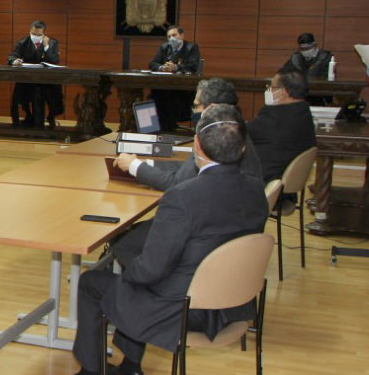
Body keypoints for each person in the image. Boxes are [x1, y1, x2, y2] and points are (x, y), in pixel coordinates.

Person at [71, 105, 269, 375]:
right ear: (243, 148)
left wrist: (130, 271)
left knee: (93, 282)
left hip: (185, 309)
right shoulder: (256, 189)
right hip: (233, 303)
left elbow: (151, 271)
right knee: (135, 274)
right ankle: (130, 366)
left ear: (197, 145)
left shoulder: (183, 197)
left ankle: (92, 371)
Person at [110, 79, 262, 267]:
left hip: (203, 230)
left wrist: (135, 166)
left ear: (211, 108)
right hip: (229, 228)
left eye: (196, 106)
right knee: (132, 233)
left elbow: (176, 184)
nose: (193, 110)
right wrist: (145, 163)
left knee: (124, 240)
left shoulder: (213, 138)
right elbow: (188, 169)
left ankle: (125, 278)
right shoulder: (236, 133)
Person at [248, 68, 316, 214]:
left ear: (283, 92)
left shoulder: (274, 117)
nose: (269, 91)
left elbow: (241, 132)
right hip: (285, 192)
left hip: (263, 188)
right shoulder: (304, 113)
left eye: (272, 87)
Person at [8, 20, 64, 129]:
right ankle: (28, 120)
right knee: (29, 93)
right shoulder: (23, 42)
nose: (36, 37)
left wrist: (46, 46)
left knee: (49, 93)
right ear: (30, 30)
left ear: (44, 33)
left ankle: (48, 118)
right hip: (28, 79)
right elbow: (12, 56)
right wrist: (15, 61)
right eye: (33, 34)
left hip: (47, 80)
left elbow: (55, 60)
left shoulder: (52, 42)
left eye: (39, 35)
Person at [148, 25, 201, 131]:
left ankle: (169, 125)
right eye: (169, 36)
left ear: (182, 35)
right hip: (165, 86)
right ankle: (161, 127)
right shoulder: (164, 47)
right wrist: (162, 67)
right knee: (156, 94)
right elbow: (152, 63)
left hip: (184, 88)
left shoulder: (191, 48)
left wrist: (176, 67)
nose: (171, 38)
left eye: (174, 35)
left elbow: (193, 66)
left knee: (171, 97)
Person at [282, 33, 333, 105]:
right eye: (302, 49)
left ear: (314, 44)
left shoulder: (325, 57)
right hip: (299, 95)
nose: (305, 51)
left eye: (308, 48)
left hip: (319, 95)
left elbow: (327, 78)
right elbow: (285, 73)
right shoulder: (296, 57)